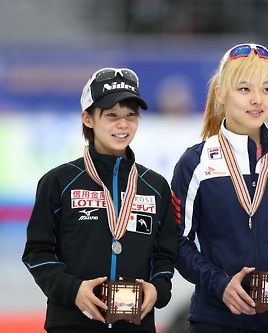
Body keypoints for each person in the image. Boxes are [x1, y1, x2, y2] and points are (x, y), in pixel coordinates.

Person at [171, 43, 268, 333]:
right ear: (222, 93)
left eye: (266, 89)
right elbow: (176, 242)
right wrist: (219, 284)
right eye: (244, 89)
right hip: (216, 318)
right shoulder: (196, 162)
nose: (257, 100)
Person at [22, 67, 177, 332]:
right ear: (88, 119)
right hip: (71, 323)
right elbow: (37, 252)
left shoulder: (155, 186)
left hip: (135, 324)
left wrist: (157, 289)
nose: (123, 124)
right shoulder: (59, 182)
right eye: (112, 115)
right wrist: (74, 290)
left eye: (131, 115)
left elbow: (164, 255)